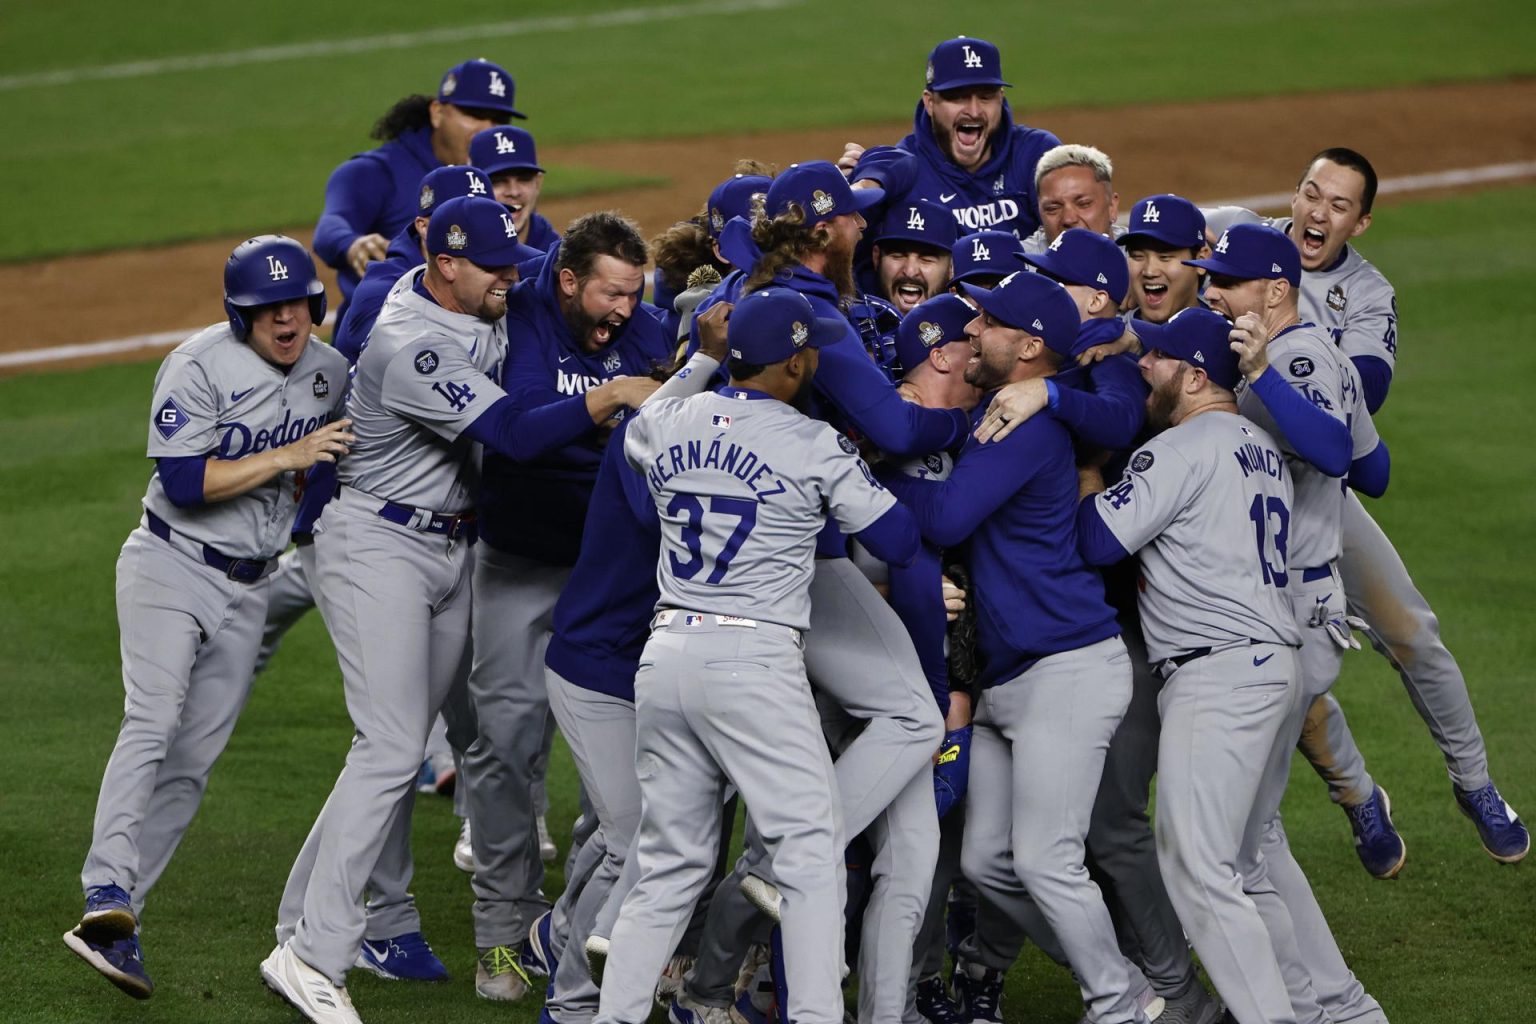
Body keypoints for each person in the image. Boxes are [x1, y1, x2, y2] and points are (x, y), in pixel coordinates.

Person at [595, 286, 922, 1024]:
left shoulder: (670, 422)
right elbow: (898, 541)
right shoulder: (811, 443)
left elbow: (636, 431)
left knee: (670, 863)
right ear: (799, 362)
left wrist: (698, 362)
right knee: (807, 856)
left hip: (668, 653)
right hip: (752, 660)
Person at [260, 196, 540, 1024]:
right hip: (376, 544)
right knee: (391, 744)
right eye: (494, 267)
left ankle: (295, 926)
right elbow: (517, 437)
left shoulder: (477, 297)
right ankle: (317, 954)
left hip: (450, 552)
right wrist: (607, 398)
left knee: (377, 750)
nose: (509, 279)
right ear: (446, 264)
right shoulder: (407, 340)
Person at [66, 236, 351, 1000]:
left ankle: (122, 925)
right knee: (152, 720)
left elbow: (331, 472)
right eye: (269, 310)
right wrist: (288, 461)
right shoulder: (197, 366)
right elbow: (187, 482)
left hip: (251, 588)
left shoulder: (331, 374)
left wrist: (311, 504)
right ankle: (103, 891)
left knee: (191, 763)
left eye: (297, 306)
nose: (286, 321)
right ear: (241, 315)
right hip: (171, 564)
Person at [880, 272, 1161, 1024]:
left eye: (987, 322)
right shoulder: (1004, 411)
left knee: (1044, 859)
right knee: (987, 864)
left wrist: (859, 472)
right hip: (1014, 677)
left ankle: (1121, 1002)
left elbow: (942, 517)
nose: (971, 330)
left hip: (1065, 666)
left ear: (1029, 346)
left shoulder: (1027, 425)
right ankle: (1124, 977)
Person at [1281, 149, 1527, 866]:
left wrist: (1285, 361)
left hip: (1321, 490)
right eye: (1310, 194)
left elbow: (1365, 396)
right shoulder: (1246, 243)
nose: (1316, 213)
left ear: (1361, 221)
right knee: (1278, 671)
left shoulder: (1366, 293)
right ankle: (1359, 798)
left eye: (1337, 204)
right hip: (1236, 495)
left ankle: (1475, 783)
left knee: (1412, 632)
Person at [1075, 306, 1306, 1024]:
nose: (1145, 366)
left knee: (1200, 877)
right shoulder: (1259, 446)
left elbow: (1096, 540)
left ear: (1196, 374)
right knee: (1235, 871)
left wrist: (1084, 468)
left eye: (1160, 357)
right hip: (1274, 670)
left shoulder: (1182, 446)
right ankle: (1311, 1005)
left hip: (1221, 677)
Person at [463, 210, 672, 1002]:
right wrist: (610, 399)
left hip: (612, 578)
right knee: (506, 747)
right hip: (516, 566)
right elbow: (516, 432)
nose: (623, 310)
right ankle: (500, 934)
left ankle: (573, 919)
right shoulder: (520, 317)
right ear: (569, 280)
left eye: (635, 294)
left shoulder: (652, 332)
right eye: (609, 294)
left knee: (611, 773)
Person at [1196, 223, 1391, 1024]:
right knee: (1252, 833)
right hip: (1302, 612)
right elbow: (1378, 468)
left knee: (1240, 848)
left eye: (1228, 282)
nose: (1214, 292)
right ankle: (1329, 1005)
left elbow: (1338, 453)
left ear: (1275, 291)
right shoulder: (1318, 355)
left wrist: (1261, 377)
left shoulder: (1292, 357)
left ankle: (1318, 1008)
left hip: (1291, 618)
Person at [313, 59, 521, 324]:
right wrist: (352, 244)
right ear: (437, 112)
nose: (488, 130)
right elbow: (330, 226)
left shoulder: (500, 179)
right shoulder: (375, 171)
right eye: (474, 115)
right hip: (385, 327)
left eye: (500, 120)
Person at [843, 36, 1060, 238]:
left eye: (986, 97)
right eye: (957, 98)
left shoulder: (1036, 153)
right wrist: (846, 191)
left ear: (1000, 100)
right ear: (930, 103)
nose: (974, 111)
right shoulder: (904, 170)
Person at [1118, 194, 1210, 324]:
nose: (1149, 271)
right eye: (1137, 256)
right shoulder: (1108, 338)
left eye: (1164, 257)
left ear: (1201, 261)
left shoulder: (1233, 334)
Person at [469, 125, 561, 251]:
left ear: (538, 183)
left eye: (524, 179)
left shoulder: (557, 259)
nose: (514, 191)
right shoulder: (453, 253)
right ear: (473, 187)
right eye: (497, 181)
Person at [867, 199, 957, 317]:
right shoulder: (847, 321)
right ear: (877, 257)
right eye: (898, 256)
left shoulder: (971, 330)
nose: (910, 272)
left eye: (926, 259)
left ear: (951, 267)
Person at [1023, 144, 1120, 252]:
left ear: (1112, 206)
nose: (1068, 219)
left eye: (1083, 204)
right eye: (1052, 209)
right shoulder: (1017, 263)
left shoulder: (1137, 254)